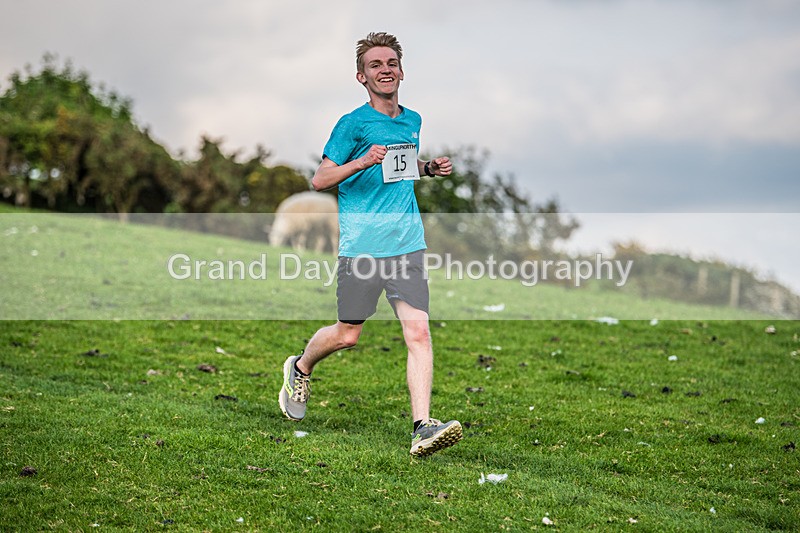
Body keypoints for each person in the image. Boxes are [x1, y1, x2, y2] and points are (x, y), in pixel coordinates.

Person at [278, 32, 462, 457]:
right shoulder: (352, 125)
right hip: (362, 246)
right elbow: (320, 179)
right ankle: (301, 366)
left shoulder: (412, 119)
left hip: (407, 243)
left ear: (402, 71)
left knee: (418, 331)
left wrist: (428, 169)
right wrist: (360, 160)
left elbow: (399, 170)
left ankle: (422, 426)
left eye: (392, 63)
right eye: (376, 64)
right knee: (347, 335)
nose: (385, 69)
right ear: (362, 76)